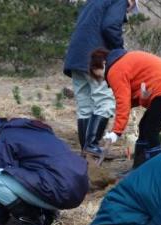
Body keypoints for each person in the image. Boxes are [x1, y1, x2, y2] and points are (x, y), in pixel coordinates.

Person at [0, 117, 90, 225]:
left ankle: (32, 223)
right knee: (26, 172)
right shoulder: (36, 130)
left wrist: (0, 220)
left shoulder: (2, 138)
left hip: (58, 190)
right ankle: (48, 215)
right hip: (78, 188)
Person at [63, 0, 139, 156]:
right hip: (94, 58)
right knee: (105, 101)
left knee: (85, 107)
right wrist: (119, 51)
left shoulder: (93, 2)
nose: (128, 9)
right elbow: (110, 27)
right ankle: (91, 145)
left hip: (75, 56)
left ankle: (86, 151)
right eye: (130, 7)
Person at [89, 48, 161, 168]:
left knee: (150, 131)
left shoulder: (114, 70)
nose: (103, 79)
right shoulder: (121, 63)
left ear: (103, 63)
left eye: (100, 74)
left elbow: (122, 102)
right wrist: (116, 128)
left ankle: (157, 169)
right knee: (144, 127)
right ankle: (138, 167)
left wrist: (116, 132)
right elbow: (128, 100)